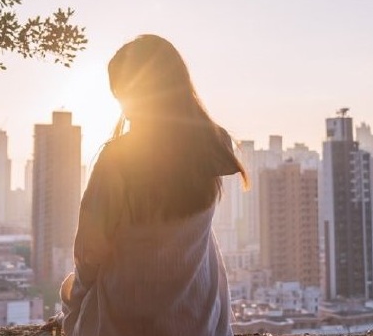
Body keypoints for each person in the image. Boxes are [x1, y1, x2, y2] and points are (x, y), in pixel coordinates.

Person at [59, 34, 248, 336]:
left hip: (125, 318)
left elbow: (89, 251)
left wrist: (75, 307)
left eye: (123, 91)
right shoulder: (214, 144)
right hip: (198, 317)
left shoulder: (119, 158)